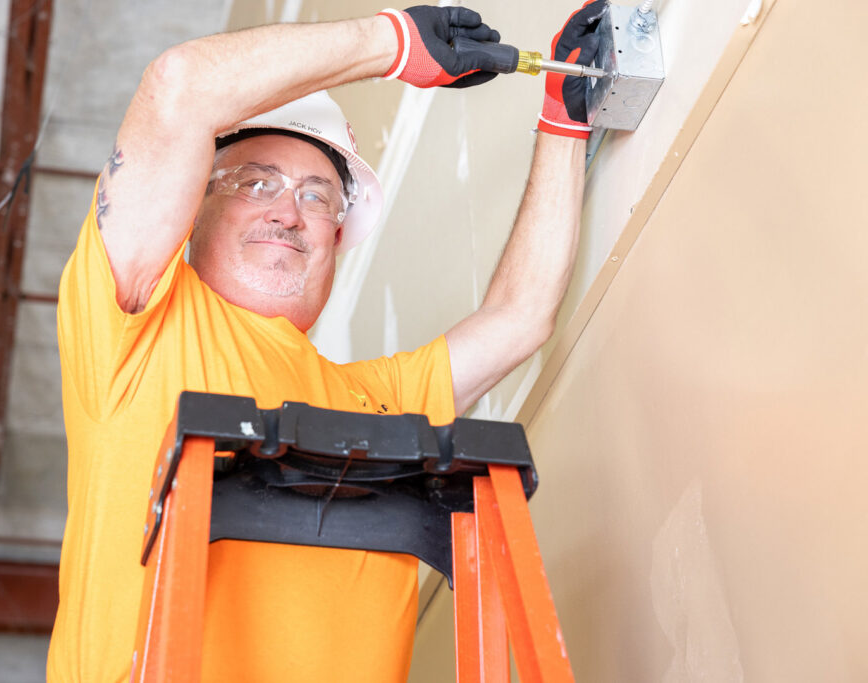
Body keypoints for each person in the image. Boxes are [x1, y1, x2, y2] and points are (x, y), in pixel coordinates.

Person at [48, 2, 607, 681]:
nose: (288, 211)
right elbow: (179, 88)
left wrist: (563, 119)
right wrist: (393, 42)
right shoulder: (136, 325)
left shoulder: (374, 408)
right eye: (256, 183)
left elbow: (520, 316)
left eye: (317, 197)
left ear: (338, 237)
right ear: (193, 208)